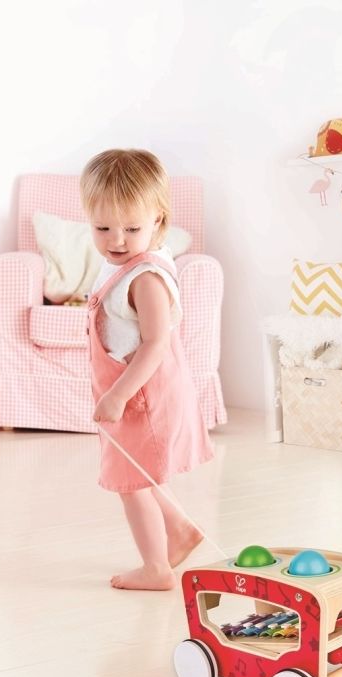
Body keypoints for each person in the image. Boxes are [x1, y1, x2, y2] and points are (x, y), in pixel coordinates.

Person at [80, 149, 214, 591]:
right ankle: (179, 529)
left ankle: (156, 568)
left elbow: (156, 343)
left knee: (129, 483)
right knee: (136, 469)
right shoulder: (123, 264)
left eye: (132, 229)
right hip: (131, 389)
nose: (117, 240)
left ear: (158, 220)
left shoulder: (146, 278)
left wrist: (118, 394)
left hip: (141, 394)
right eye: (103, 228)